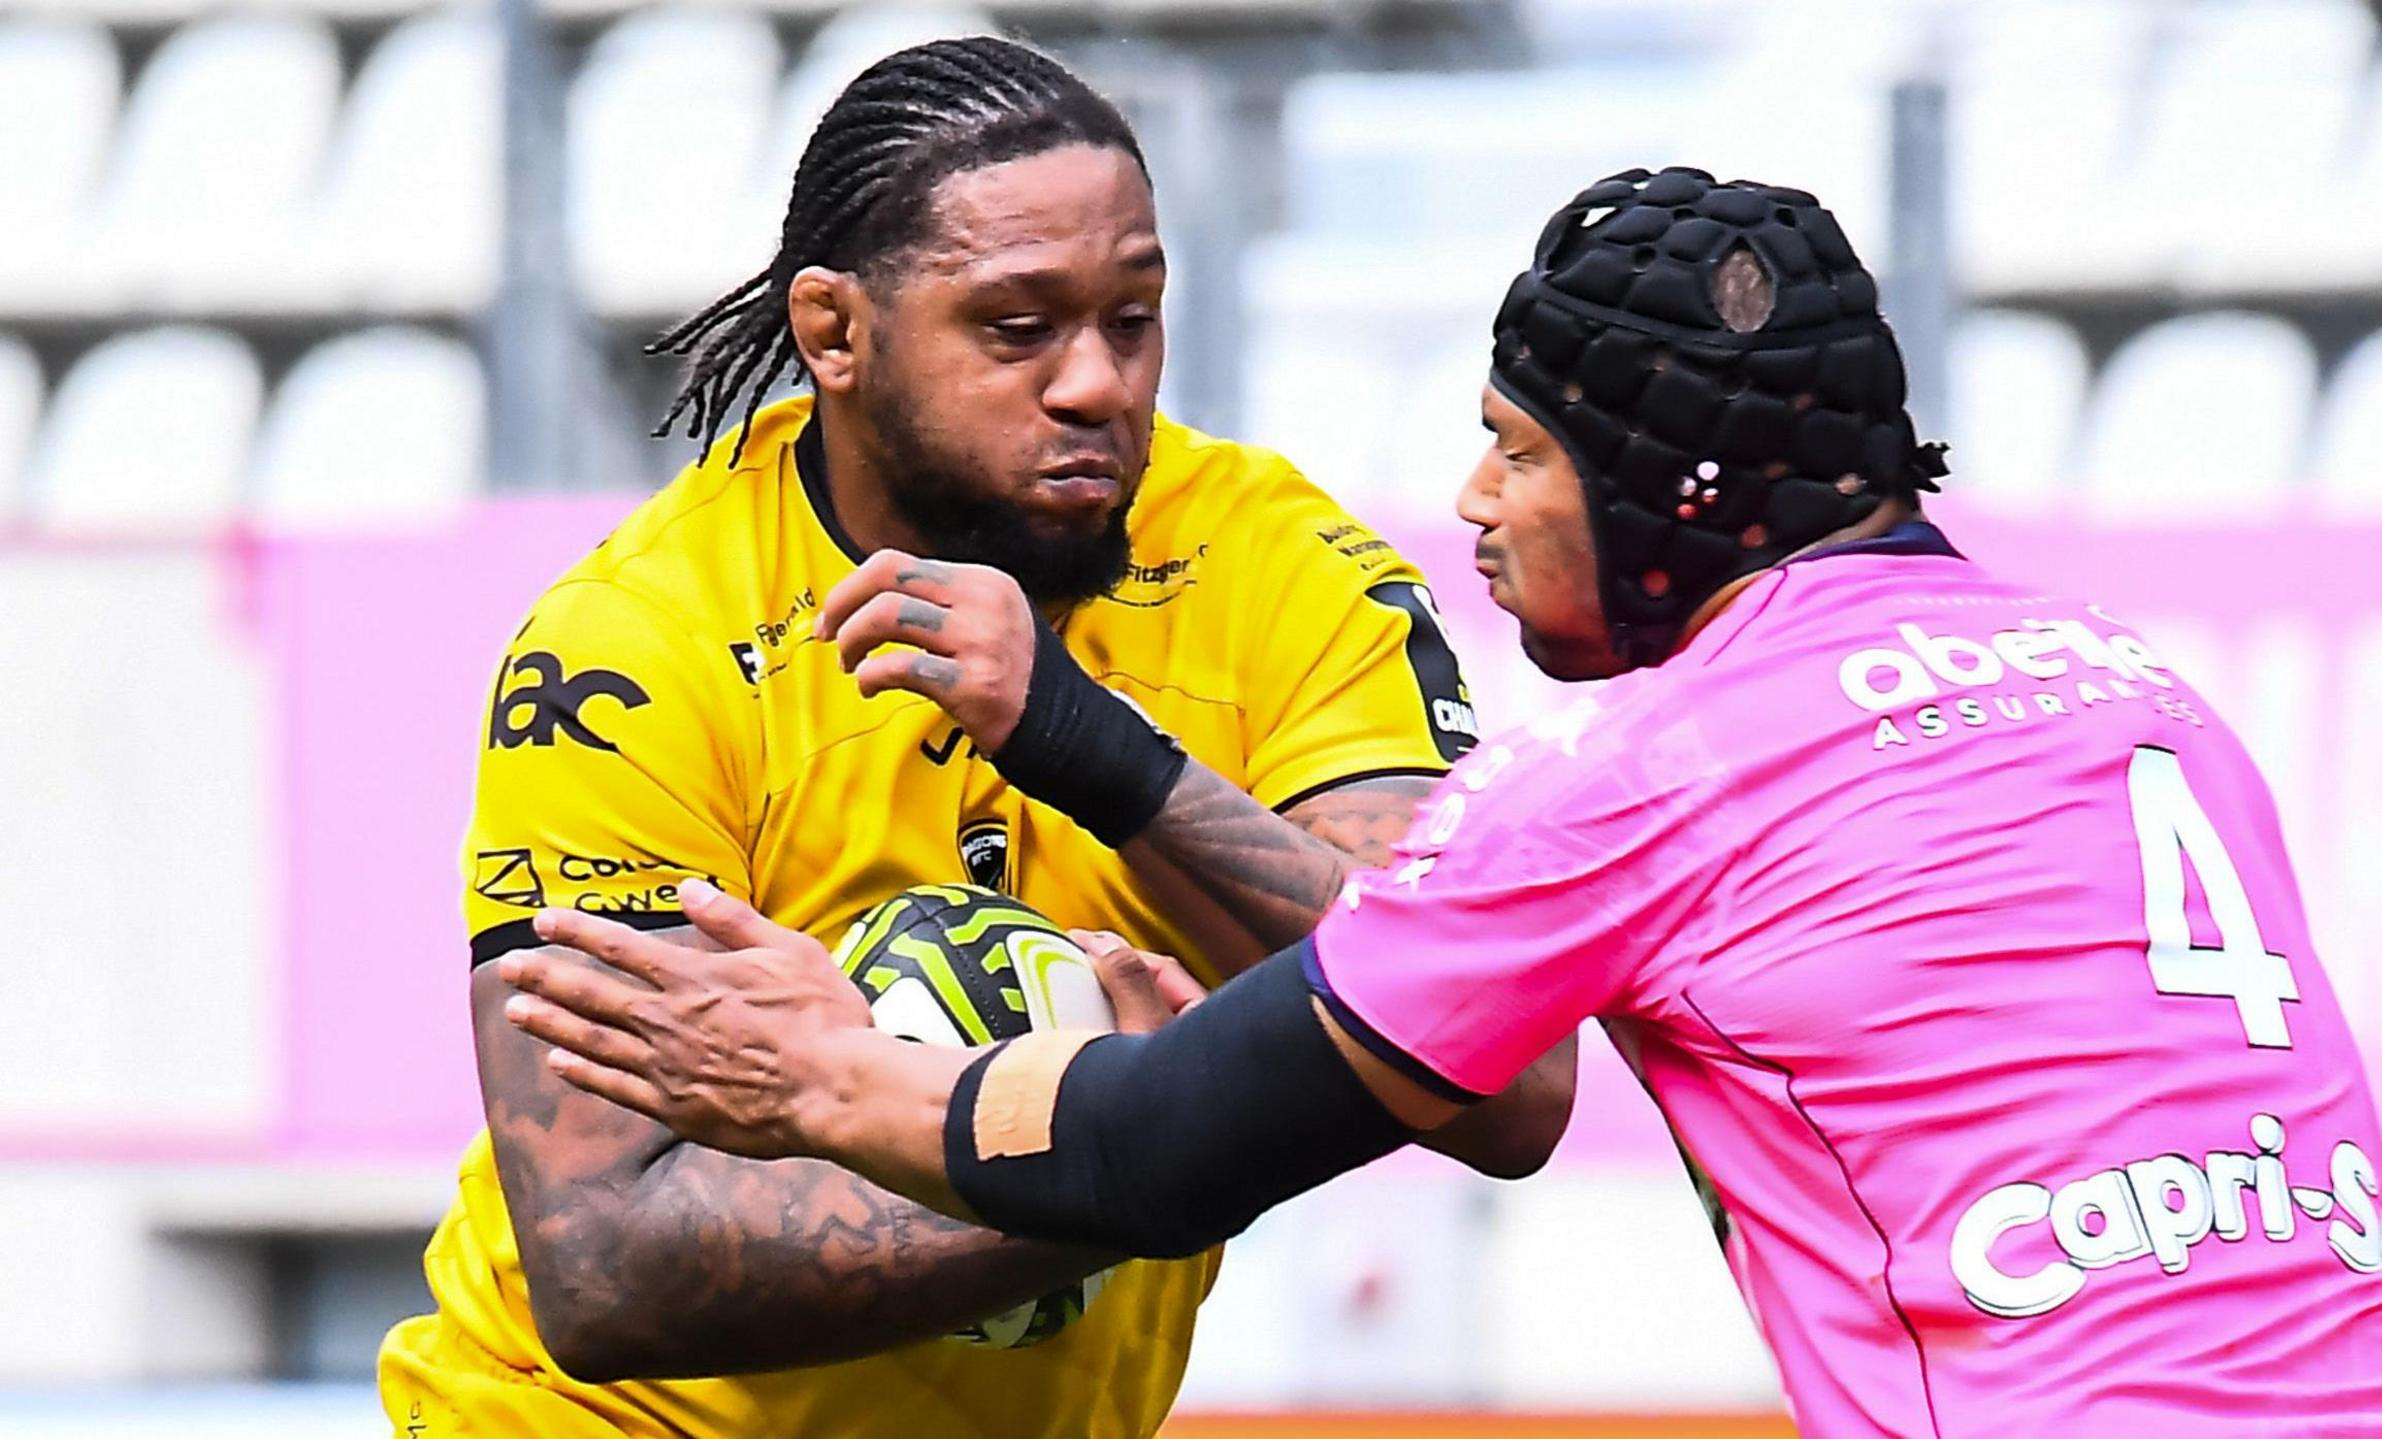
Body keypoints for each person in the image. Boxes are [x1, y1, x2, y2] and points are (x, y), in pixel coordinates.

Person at [502, 167, 2382, 1437]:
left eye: (1513, 454)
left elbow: (1168, 1146)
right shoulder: (2141, 694)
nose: (1470, 508)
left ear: (1663, 497)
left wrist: (828, 1086)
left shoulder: (1645, 778)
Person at [379, 34, 1573, 1439]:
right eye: (1017, 329)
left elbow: (1509, 1081)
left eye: (1133, 318)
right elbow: (605, 1269)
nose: (1095, 385)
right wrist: (1141, 1150)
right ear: (834, 333)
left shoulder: (1286, 573)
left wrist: (1096, 753)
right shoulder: (631, 647)